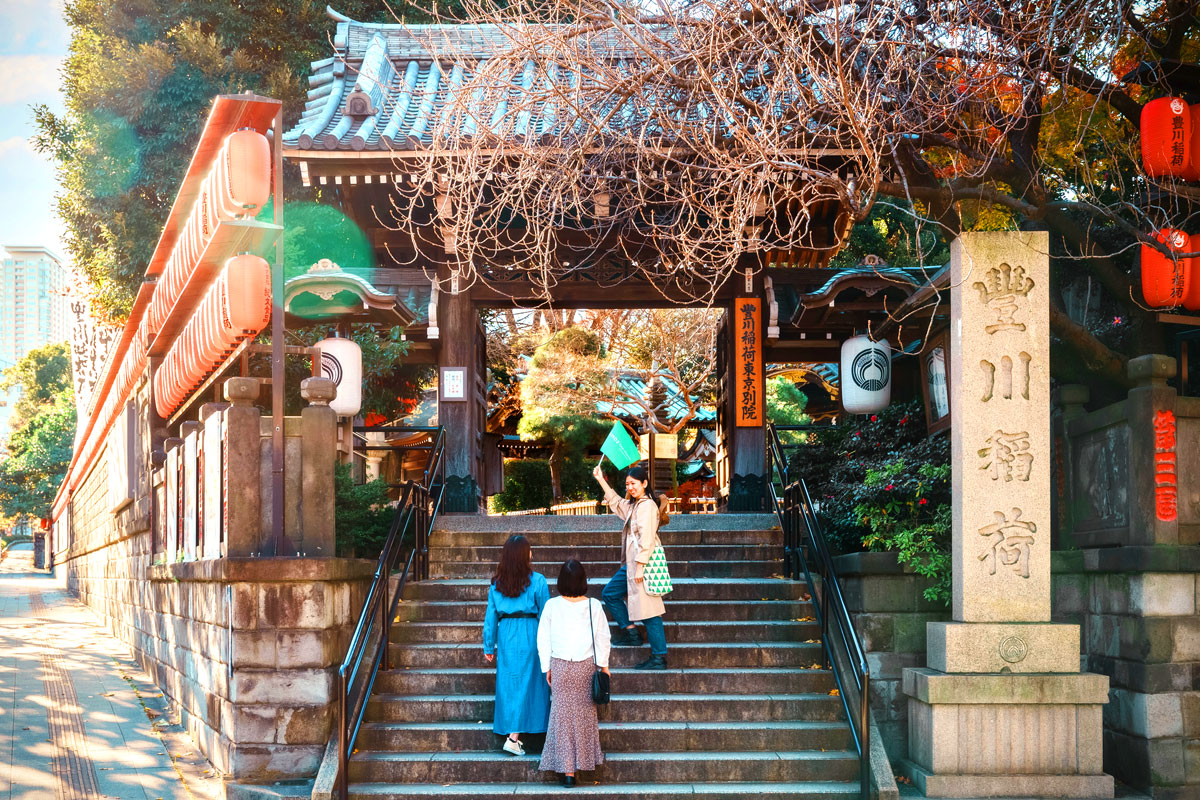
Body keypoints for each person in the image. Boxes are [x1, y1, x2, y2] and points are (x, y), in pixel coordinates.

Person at [536, 559, 611, 787]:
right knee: (584, 716)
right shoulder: (594, 606)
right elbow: (602, 637)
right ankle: (582, 762)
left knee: (561, 716)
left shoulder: (551, 605)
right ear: (583, 581)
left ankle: (566, 770)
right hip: (585, 666)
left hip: (559, 665)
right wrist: (604, 666)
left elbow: (543, 638)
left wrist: (545, 667)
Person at [593, 463, 669, 670]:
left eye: (634, 483)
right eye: (627, 484)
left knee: (651, 612)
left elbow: (647, 539)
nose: (630, 488)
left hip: (642, 564)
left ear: (644, 483)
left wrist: (640, 567)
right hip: (632, 564)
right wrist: (601, 479)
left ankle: (659, 657)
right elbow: (617, 503)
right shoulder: (634, 505)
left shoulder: (646, 506)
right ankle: (631, 632)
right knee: (610, 593)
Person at [483, 534, 550, 755]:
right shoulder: (538, 580)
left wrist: (488, 645)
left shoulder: (496, 584)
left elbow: (490, 617)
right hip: (532, 631)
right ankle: (516, 736)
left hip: (507, 634)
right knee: (530, 683)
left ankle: (514, 734)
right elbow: (547, 613)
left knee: (510, 684)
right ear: (524, 555)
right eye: (529, 550)